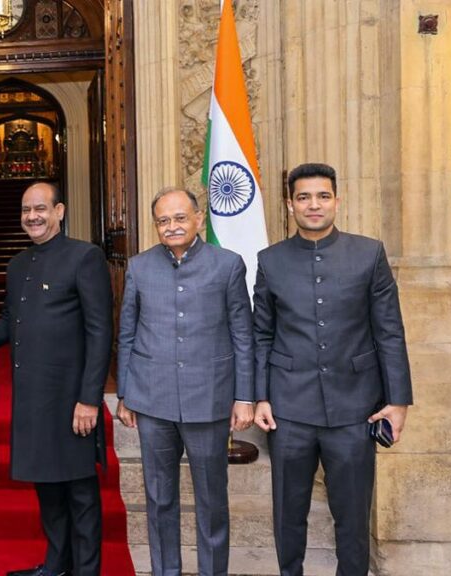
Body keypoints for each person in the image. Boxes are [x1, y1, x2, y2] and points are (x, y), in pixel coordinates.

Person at [252, 163, 412, 576]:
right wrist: (260, 396)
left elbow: (389, 331)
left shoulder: (369, 253)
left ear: (337, 201)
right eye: (303, 197)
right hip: (288, 408)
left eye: (323, 196)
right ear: (290, 205)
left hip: (356, 408)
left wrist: (398, 402)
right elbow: (261, 334)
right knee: (288, 514)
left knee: (353, 517)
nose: (314, 205)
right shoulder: (270, 260)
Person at [0, 182, 113, 576]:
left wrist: (90, 398)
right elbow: (8, 323)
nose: (32, 216)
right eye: (26, 210)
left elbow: (100, 331)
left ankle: (86, 571)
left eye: (40, 209)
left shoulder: (85, 257)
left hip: (72, 401)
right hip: (32, 400)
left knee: (80, 493)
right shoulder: (18, 265)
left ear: (59, 211)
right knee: (47, 488)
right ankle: (56, 565)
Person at [115, 186, 254, 576]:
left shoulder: (228, 265)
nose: (172, 226)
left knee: (211, 501)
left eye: (179, 218)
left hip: (208, 399)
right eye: (163, 220)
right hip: (152, 399)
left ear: (198, 218)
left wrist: (245, 396)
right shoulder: (139, 267)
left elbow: (243, 334)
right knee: (159, 499)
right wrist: (125, 394)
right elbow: (127, 333)